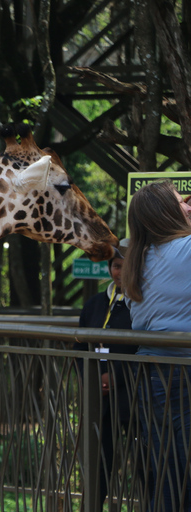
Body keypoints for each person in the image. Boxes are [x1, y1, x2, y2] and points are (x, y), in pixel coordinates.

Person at [122, 180, 191, 512]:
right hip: (183, 373)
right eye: (182, 203)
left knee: (165, 471)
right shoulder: (186, 250)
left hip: (149, 375)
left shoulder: (138, 258)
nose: (189, 207)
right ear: (165, 213)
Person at [74, 243, 135, 508]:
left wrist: (117, 376)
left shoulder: (141, 305)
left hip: (132, 397)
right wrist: (92, 377)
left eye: (125, 267)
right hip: (99, 398)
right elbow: (79, 345)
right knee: (98, 462)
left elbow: (142, 348)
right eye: (116, 266)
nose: (119, 272)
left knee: (144, 461)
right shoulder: (94, 303)